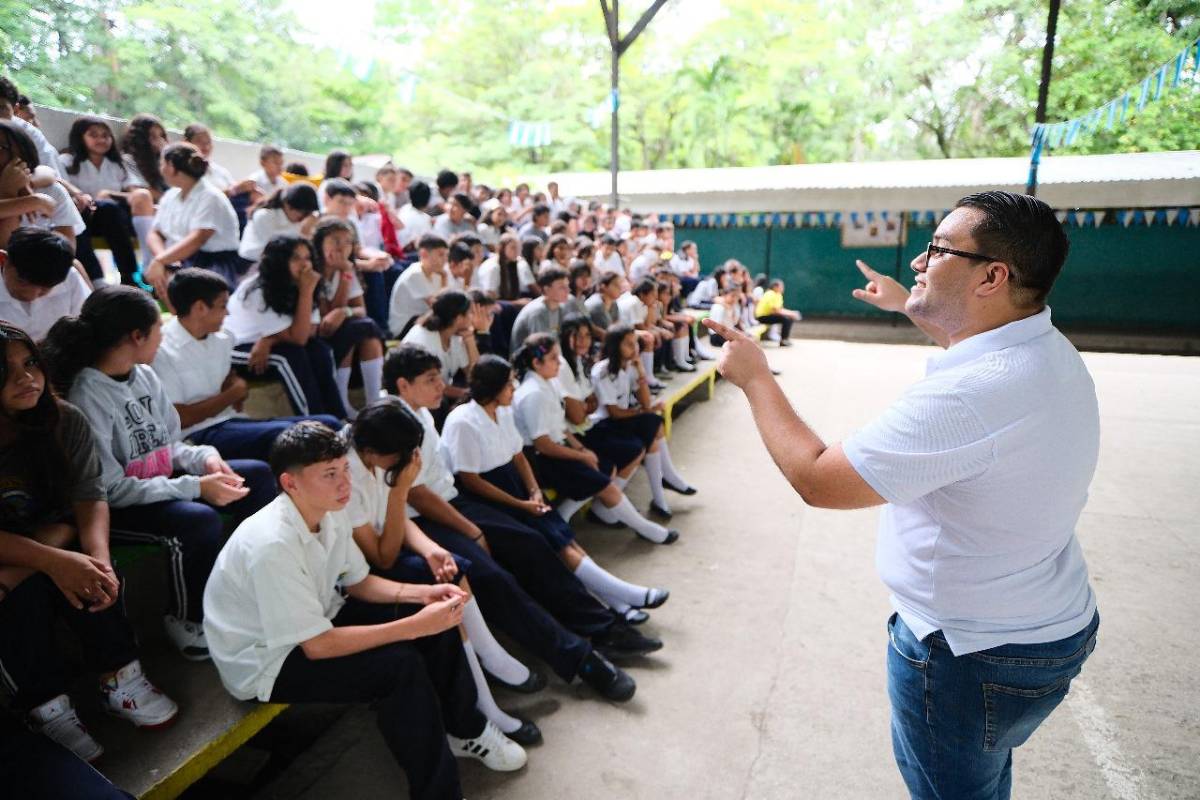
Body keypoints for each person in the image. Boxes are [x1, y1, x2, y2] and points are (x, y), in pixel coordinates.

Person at [708, 191, 1101, 800]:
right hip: (1043, 625)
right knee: (983, 768)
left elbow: (818, 478)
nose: (919, 262)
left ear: (992, 276)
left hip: (971, 655)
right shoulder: (1042, 346)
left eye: (939, 250)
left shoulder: (970, 396)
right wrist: (912, 305)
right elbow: (973, 342)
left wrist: (755, 378)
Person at [203, 422, 526, 800]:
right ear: (290, 483)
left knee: (436, 622)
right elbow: (318, 647)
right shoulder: (272, 545)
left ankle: (466, 731)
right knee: (398, 666)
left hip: (315, 620)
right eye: (329, 474)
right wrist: (413, 625)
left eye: (344, 470)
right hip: (265, 662)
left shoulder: (328, 507)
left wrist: (422, 595)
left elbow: (358, 582)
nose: (344, 484)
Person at [385, 344, 661, 666]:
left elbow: (516, 454)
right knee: (522, 555)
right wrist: (472, 528)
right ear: (403, 385)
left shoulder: (421, 414)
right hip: (446, 507)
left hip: (456, 501)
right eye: (431, 379)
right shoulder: (409, 422)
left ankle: (605, 617)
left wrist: (532, 491)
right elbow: (423, 492)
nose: (441, 386)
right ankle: (594, 632)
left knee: (543, 542)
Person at [40, 286, 276, 661]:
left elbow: (169, 445)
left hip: (158, 485)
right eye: (158, 330)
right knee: (196, 520)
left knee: (258, 476)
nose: (162, 337)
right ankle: (187, 618)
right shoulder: (87, 394)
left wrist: (206, 460)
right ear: (137, 336)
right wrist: (195, 487)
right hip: (117, 505)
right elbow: (109, 489)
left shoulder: (144, 376)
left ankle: (257, 584)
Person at [0, 322, 178, 763]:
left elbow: (88, 497)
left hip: (52, 532)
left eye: (30, 364)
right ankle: (46, 707)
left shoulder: (63, 419)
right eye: (6, 371)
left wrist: (96, 558)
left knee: (92, 570)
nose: (27, 378)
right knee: (19, 598)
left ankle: (121, 678)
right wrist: (48, 563)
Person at [344, 399, 541, 746]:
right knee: (444, 590)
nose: (407, 463)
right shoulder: (347, 476)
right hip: (357, 572)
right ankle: (484, 700)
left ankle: (489, 660)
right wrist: (400, 489)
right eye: (401, 456)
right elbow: (383, 557)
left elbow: (395, 521)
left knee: (451, 566)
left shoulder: (372, 452)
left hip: (381, 543)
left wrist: (430, 549)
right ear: (373, 452)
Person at [442, 356, 670, 621]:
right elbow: (472, 480)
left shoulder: (502, 411)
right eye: (508, 384)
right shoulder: (462, 422)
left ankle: (618, 602)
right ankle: (623, 597)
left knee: (564, 536)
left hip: (516, 487)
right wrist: (521, 504)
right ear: (493, 389)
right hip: (489, 498)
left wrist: (534, 490)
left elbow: (518, 456)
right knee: (554, 544)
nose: (513, 388)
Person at [152, 268, 340, 461]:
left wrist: (233, 389)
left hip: (232, 422)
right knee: (303, 438)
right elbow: (181, 419)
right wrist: (233, 393)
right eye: (222, 305)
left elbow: (230, 383)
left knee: (329, 424)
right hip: (197, 437)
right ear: (200, 308)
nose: (227, 312)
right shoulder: (163, 351)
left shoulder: (223, 339)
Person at [513, 333, 678, 544]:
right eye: (554, 358)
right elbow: (543, 444)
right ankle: (648, 530)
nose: (559, 362)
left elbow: (560, 428)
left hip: (556, 447)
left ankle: (563, 516)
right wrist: (580, 456)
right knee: (603, 482)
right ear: (537, 363)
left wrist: (581, 449)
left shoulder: (548, 383)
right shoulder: (533, 394)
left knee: (603, 466)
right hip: (539, 460)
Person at [225, 235, 347, 418]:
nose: (304, 264)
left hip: (270, 341)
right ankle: (314, 422)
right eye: (296, 258)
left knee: (320, 350)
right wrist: (306, 292)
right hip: (238, 347)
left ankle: (338, 418)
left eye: (307, 258)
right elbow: (298, 339)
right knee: (289, 356)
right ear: (279, 261)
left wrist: (269, 340)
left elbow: (310, 332)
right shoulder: (257, 290)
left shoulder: (302, 282)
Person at [591, 325, 696, 520]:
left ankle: (660, 495)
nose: (635, 348)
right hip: (602, 425)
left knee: (653, 428)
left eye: (635, 343)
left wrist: (640, 372)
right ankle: (664, 484)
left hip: (619, 420)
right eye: (629, 344)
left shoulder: (630, 366)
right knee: (651, 426)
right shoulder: (603, 370)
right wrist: (643, 410)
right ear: (615, 347)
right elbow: (614, 412)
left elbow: (646, 403)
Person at [58, 116, 156, 285]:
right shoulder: (67, 161)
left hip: (114, 221)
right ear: (80, 137)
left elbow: (136, 194)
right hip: (84, 219)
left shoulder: (117, 164)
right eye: (93, 135)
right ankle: (101, 279)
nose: (101, 140)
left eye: (105, 135)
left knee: (109, 208)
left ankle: (130, 276)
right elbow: (59, 190)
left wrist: (109, 195)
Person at [143, 142, 245, 301]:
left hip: (214, 263)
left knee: (189, 293)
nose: (160, 168)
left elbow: (198, 238)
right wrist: (162, 259)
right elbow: (154, 233)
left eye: (162, 163)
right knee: (162, 279)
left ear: (171, 166)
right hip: (177, 258)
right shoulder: (171, 196)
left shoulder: (211, 197)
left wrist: (161, 260)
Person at [310, 217, 386, 418]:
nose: (342, 248)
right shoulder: (312, 271)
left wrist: (345, 312)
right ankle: (341, 401)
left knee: (364, 327)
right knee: (354, 328)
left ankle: (374, 401)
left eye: (348, 242)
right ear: (320, 243)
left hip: (342, 328)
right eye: (335, 241)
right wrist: (345, 273)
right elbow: (327, 320)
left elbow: (360, 310)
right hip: (315, 333)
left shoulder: (347, 269)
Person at [0, 227, 91, 342]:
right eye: (22, 282)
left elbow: (87, 326)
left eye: (45, 289)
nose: (30, 295)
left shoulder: (70, 277)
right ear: (3, 260)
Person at [401, 290, 479, 407]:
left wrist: (470, 341)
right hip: (415, 396)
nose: (473, 317)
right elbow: (431, 385)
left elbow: (473, 374)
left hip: (436, 391)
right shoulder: (425, 341)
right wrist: (468, 394)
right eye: (470, 313)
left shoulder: (455, 335)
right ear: (458, 318)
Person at [238, 182, 320, 263]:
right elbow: (275, 249)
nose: (305, 218)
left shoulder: (302, 220)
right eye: (304, 213)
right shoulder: (264, 215)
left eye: (309, 214)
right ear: (287, 205)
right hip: (249, 263)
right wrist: (302, 233)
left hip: (278, 263)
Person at [389, 233, 449, 338]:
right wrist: (444, 279)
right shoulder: (415, 274)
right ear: (424, 254)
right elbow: (440, 306)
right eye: (440, 255)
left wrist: (444, 278)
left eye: (446, 255)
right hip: (404, 326)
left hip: (423, 318)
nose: (445, 260)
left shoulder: (437, 273)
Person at [508, 266, 570, 355]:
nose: (567, 290)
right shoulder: (538, 312)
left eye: (567, 286)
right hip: (529, 360)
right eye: (561, 287)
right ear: (546, 289)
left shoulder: (560, 308)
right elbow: (539, 347)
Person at [119, 113, 169, 201]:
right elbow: (136, 190)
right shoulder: (128, 160)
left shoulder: (164, 161)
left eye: (161, 136)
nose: (159, 140)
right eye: (153, 136)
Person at [754, 278, 800, 346]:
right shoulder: (770, 294)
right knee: (786, 319)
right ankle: (783, 340)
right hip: (762, 317)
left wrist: (791, 313)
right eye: (781, 286)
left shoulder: (778, 295)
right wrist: (791, 313)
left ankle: (784, 339)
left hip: (769, 315)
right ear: (775, 287)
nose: (783, 288)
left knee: (788, 318)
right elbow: (775, 311)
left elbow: (780, 309)